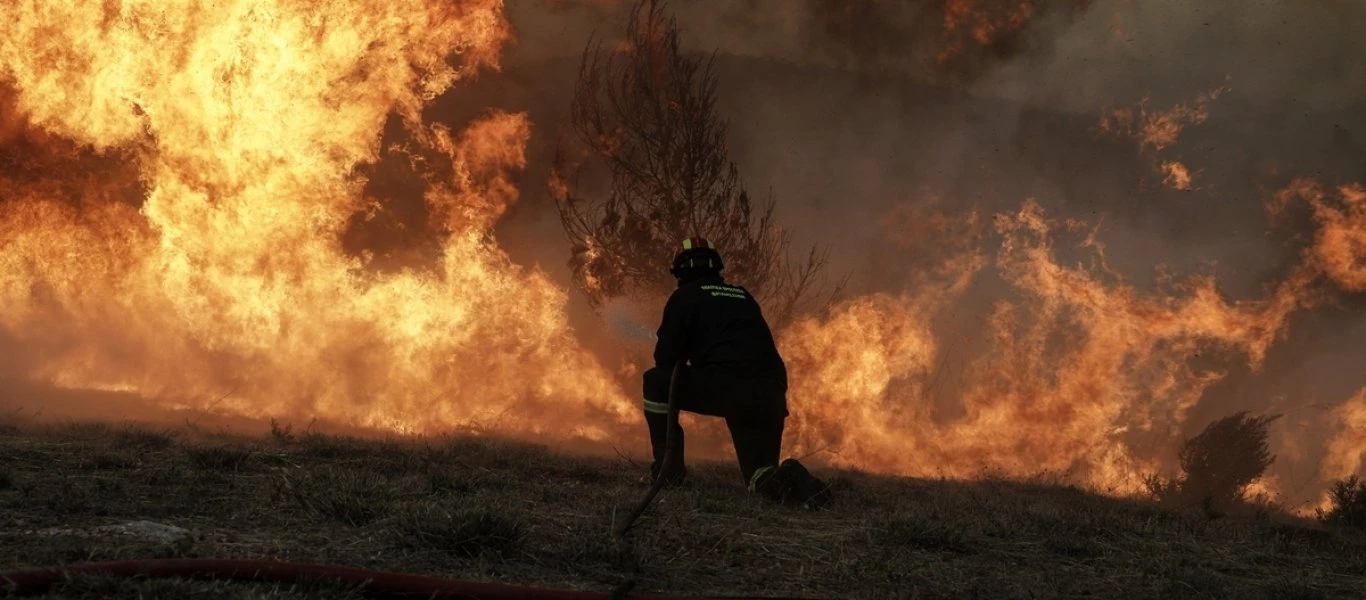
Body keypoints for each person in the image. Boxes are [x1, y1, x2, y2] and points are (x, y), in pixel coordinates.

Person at [641, 236, 831, 509]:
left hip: (727, 388)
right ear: (717, 267)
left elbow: (666, 360)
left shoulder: (684, 296)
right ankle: (798, 483)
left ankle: (667, 473)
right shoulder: (743, 296)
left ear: (680, 271)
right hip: (770, 395)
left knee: (656, 382)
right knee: (760, 478)